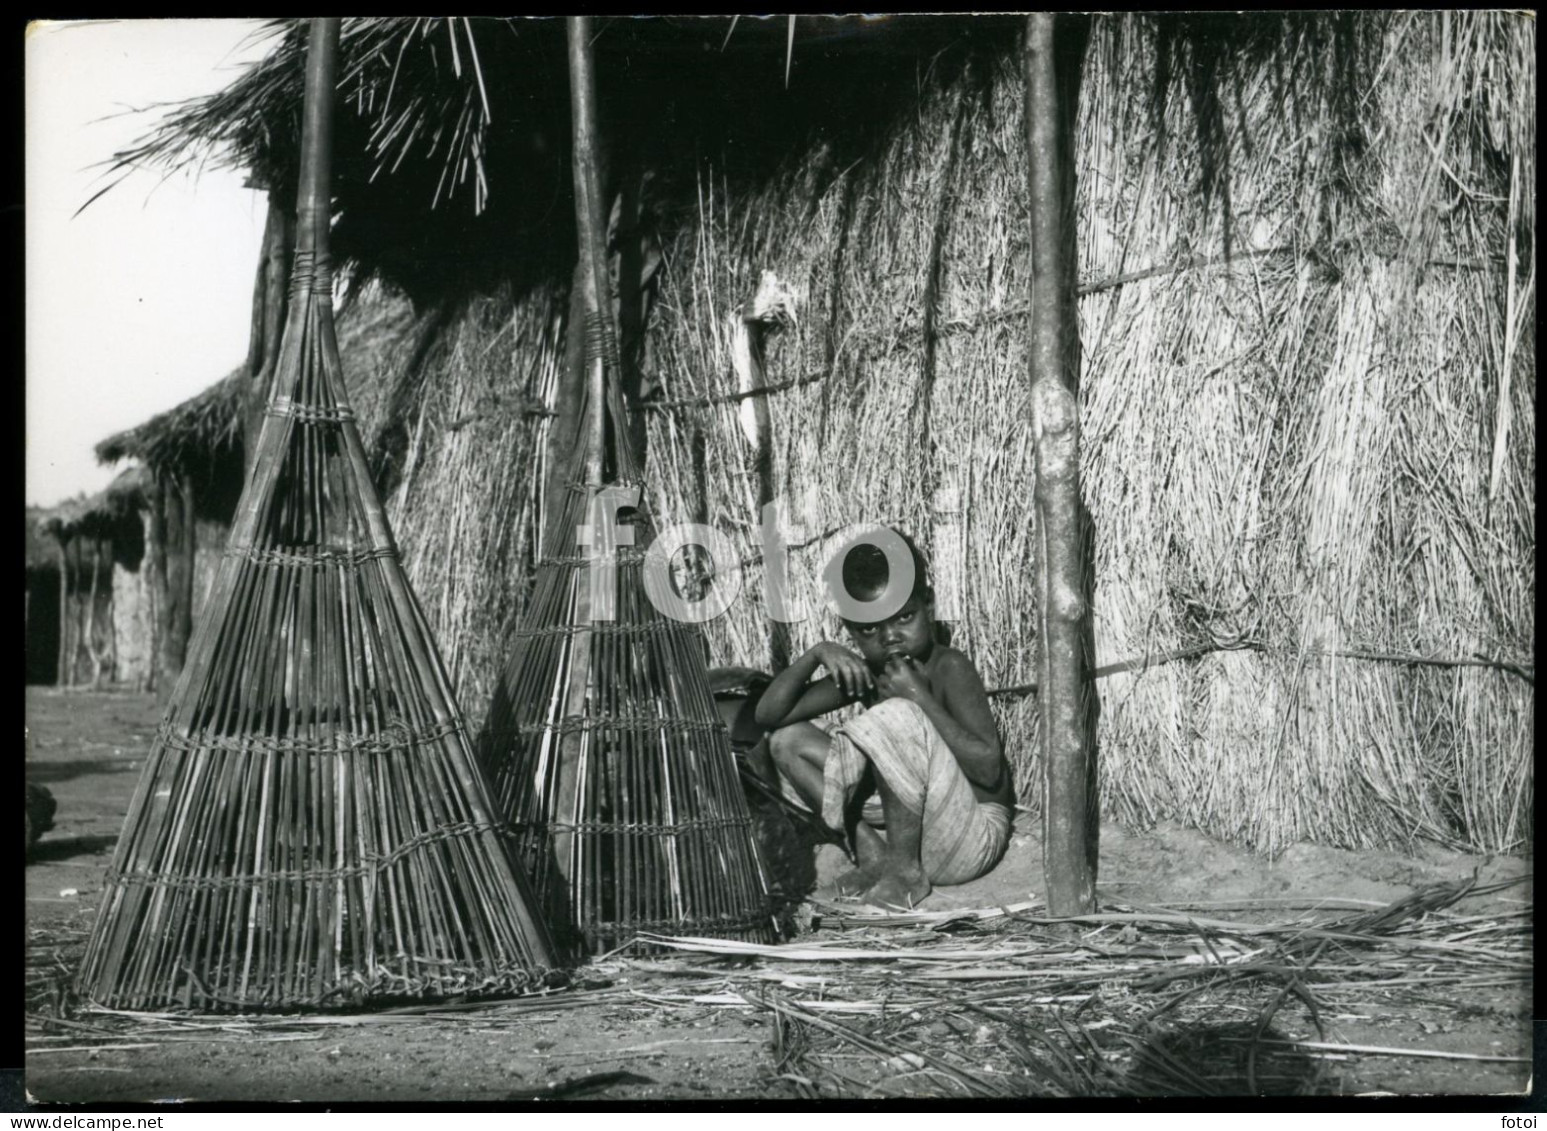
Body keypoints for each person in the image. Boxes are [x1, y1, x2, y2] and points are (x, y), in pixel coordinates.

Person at [752, 531, 1013, 909]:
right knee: (786, 740)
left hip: (968, 836)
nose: (891, 637)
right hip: (909, 831)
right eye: (869, 629)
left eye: (905, 617)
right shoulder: (870, 673)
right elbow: (768, 716)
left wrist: (917, 698)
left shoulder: (949, 666)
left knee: (894, 714)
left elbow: (989, 772)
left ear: (929, 604)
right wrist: (816, 655)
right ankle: (874, 856)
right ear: (850, 630)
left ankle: (905, 873)